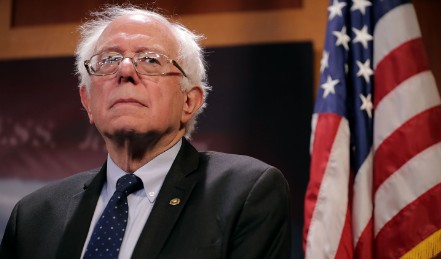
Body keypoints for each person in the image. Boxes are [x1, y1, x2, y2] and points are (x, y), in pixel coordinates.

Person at [0, 5, 291, 259]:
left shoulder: (244, 193)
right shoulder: (33, 216)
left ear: (189, 101)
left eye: (150, 59)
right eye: (108, 60)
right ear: (88, 102)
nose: (125, 70)